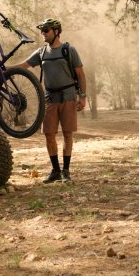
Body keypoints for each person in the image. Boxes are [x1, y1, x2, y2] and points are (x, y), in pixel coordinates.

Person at [12, 18, 86, 183]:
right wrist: (5, 69)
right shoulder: (42, 52)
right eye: (42, 31)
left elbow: (80, 74)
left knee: (67, 134)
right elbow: (24, 65)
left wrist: (82, 96)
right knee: (49, 134)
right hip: (50, 99)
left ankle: (66, 171)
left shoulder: (69, 50)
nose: (43, 33)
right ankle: (55, 171)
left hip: (68, 97)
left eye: (46, 30)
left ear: (56, 31)